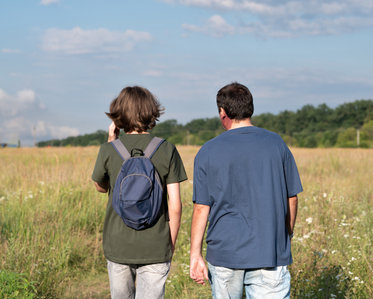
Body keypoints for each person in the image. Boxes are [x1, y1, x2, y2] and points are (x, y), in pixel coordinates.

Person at [190, 82, 303, 299]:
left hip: (224, 254)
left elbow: (201, 208)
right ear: (250, 108)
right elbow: (292, 198)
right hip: (270, 251)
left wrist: (195, 255)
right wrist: (286, 233)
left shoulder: (208, 151)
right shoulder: (276, 144)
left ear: (223, 113)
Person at [92, 86, 187, 299]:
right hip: (155, 245)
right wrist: (169, 244)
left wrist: (111, 141)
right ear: (150, 111)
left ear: (118, 114)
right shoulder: (167, 149)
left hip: (118, 244)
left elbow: (101, 187)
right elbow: (175, 204)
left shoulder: (109, 149)